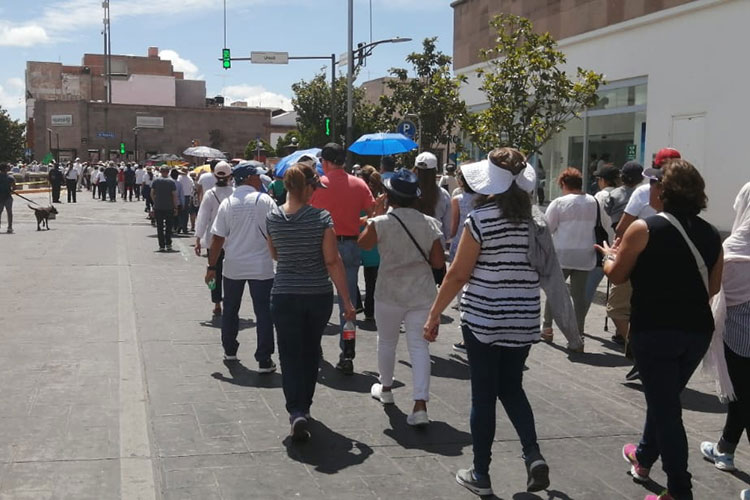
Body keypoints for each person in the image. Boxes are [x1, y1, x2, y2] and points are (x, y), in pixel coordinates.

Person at [422, 148, 549, 497]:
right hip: (524, 318)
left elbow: (458, 274)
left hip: (484, 318)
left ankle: (481, 472)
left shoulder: (481, 219)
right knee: (511, 388)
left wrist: (434, 314)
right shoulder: (536, 220)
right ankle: (532, 453)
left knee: (484, 396)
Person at [597, 159, 723, 500]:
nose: (649, 190)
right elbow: (713, 287)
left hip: (655, 330)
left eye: (654, 185)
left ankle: (680, 490)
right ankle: (643, 456)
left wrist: (609, 256)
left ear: (664, 191)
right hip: (696, 332)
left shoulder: (644, 228)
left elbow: (618, 274)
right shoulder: (711, 234)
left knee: (667, 409)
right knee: (663, 398)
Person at [266, 163, 356, 441]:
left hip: (283, 294)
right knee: (310, 353)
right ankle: (304, 406)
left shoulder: (272, 217)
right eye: (314, 187)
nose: (316, 192)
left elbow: (276, 254)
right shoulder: (321, 218)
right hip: (316, 295)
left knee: (289, 354)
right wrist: (347, 300)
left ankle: (296, 411)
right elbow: (332, 260)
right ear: (306, 188)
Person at [359, 168, 444, 426]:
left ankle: (386, 389)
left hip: (389, 292)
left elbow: (363, 244)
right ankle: (420, 405)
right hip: (421, 292)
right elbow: (438, 261)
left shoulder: (381, 222)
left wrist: (375, 214)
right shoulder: (429, 223)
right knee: (419, 347)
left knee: (386, 342)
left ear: (388, 196)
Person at [309, 143, 381, 375]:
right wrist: (358, 222)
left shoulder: (318, 185)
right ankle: (347, 351)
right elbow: (374, 214)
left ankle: (315, 346)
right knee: (347, 303)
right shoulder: (359, 184)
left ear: (326, 162)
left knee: (318, 300)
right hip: (350, 245)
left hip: (321, 245)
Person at [699, 182, 750, 487]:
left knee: (742, 395)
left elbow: (715, 289)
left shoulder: (732, 250)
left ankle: (725, 450)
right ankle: (725, 448)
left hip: (738, 336)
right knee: (742, 396)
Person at [205, 161, 277, 372]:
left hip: (233, 266)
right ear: (249, 178)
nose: (260, 179)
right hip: (261, 267)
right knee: (263, 313)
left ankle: (230, 350)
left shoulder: (228, 203)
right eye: (257, 176)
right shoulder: (265, 200)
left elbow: (217, 238)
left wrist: (211, 267)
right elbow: (275, 232)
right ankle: (264, 359)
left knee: (231, 310)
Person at [541, 168, 599, 341]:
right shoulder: (592, 201)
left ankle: (547, 328)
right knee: (579, 297)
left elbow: (547, 228)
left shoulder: (559, 203)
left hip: (562, 254)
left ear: (564, 184)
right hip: (585, 254)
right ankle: (578, 334)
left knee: (554, 292)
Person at [604, 161, 644, 345]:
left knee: (617, 302)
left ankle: (631, 341)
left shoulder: (614, 194)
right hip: (641, 246)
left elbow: (610, 213)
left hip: (622, 246)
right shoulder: (646, 194)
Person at [194, 162, 234, 316]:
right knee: (230, 273)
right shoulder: (235, 192)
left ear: (215, 175)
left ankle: (217, 303)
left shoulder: (210, 194)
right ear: (230, 176)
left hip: (213, 239)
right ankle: (230, 301)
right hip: (231, 239)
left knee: (213, 271)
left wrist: (198, 238)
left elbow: (202, 217)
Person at [616, 148, 681, 237]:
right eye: (654, 183)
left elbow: (621, 229)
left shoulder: (642, 192)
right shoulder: (688, 193)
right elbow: (621, 229)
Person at [448, 167, 478, 355]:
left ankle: (466, 333)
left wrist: (447, 239)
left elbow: (453, 227)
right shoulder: (485, 199)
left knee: (461, 293)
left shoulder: (457, 200)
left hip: (460, 244)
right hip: (479, 246)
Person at [582, 164, 617, 319]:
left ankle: (579, 323)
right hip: (619, 248)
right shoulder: (624, 195)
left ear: (603, 180)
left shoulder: (599, 197)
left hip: (602, 248)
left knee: (588, 289)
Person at [413, 152, 452, 285]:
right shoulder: (443, 195)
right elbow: (448, 229)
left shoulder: (408, 194)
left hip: (410, 248)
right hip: (435, 249)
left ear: (415, 170)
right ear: (435, 171)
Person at [357, 165, 382, 321]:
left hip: (365, 241)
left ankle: (367, 309)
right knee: (377, 280)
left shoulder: (361, 198)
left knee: (368, 278)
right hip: (380, 244)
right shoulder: (382, 199)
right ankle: (373, 310)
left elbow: (357, 220)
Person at [150, 165, 179, 252]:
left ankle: (161, 245)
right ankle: (168, 243)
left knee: (159, 226)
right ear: (168, 172)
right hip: (169, 206)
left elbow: (152, 193)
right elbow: (174, 195)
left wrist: (155, 201)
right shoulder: (171, 182)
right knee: (168, 226)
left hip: (158, 206)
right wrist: (175, 207)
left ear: (160, 171)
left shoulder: (156, 181)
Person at [176, 168, 194, 233]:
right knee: (186, 213)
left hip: (180, 196)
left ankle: (179, 226)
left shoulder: (179, 178)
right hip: (187, 196)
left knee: (179, 212)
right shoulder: (190, 179)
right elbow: (192, 188)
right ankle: (184, 228)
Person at [0, 163, 16, 233]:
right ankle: (10, 227)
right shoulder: (10, 178)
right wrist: (11, 190)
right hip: (8, 197)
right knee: (9, 212)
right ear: (6, 169)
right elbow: (14, 187)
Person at [169, 169, 184, 233]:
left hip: (169, 201)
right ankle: (177, 226)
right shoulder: (179, 184)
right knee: (177, 215)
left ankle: (171, 227)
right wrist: (183, 203)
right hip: (177, 202)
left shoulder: (168, 182)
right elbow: (181, 195)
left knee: (170, 216)